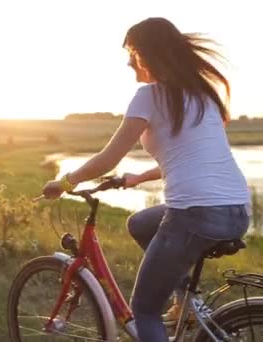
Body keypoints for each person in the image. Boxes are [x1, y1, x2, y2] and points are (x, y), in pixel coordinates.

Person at [42, 17, 251, 341]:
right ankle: (185, 303)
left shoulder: (149, 96)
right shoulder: (203, 95)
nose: (129, 61)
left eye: (133, 52)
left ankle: (182, 306)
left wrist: (65, 182)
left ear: (150, 53)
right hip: (237, 210)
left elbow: (108, 158)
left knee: (146, 310)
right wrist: (139, 177)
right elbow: (190, 158)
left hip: (194, 215)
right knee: (140, 223)